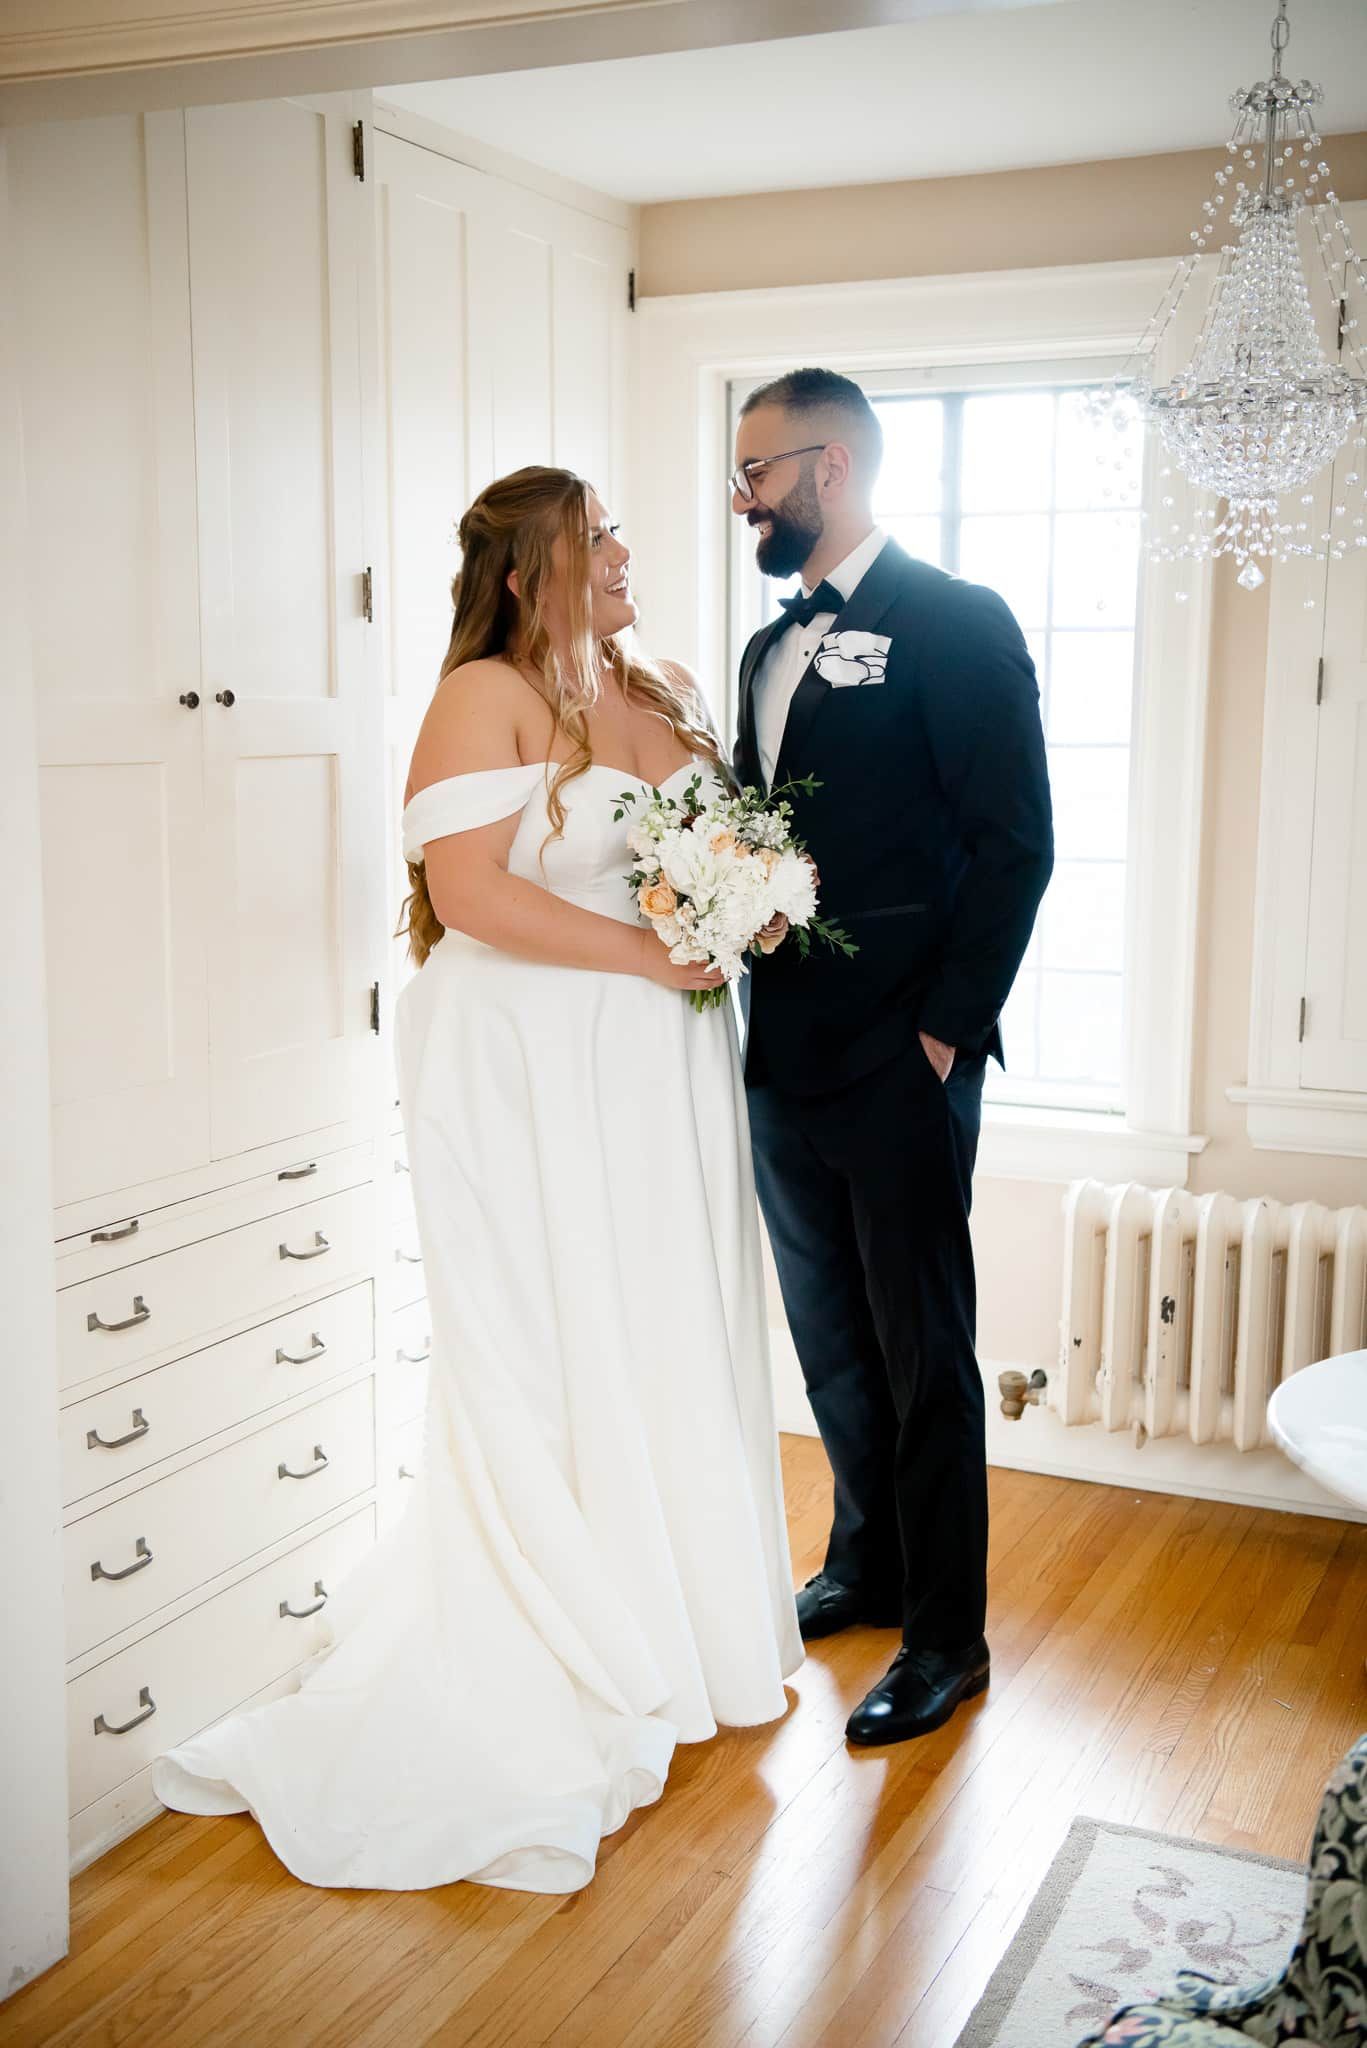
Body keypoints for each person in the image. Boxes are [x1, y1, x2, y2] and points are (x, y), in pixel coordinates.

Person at [153, 465, 802, 1891]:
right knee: (555, 1327)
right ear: (531, 570)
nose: (626, 552)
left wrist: (738, 911)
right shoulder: (488, 696)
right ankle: (564, 1622)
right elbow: (471, 896)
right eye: (598, 536)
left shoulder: (670, 684)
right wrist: (650, 950)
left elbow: (720, 853)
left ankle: (687, 1618)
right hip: (533, 1063)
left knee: (669, 1319)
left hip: (667, 1064)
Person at [730, 368, 1053, 1747]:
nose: (740, 494)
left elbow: (1014, 843)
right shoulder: (763, 649)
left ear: (833, 469)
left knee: (926, 1350)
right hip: (780, 1050)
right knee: (830, 1335)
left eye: (757, 470)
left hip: (902, 1056)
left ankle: (948, 1637)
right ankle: (868, 1558)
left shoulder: (958, 622)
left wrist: (940, 1032)